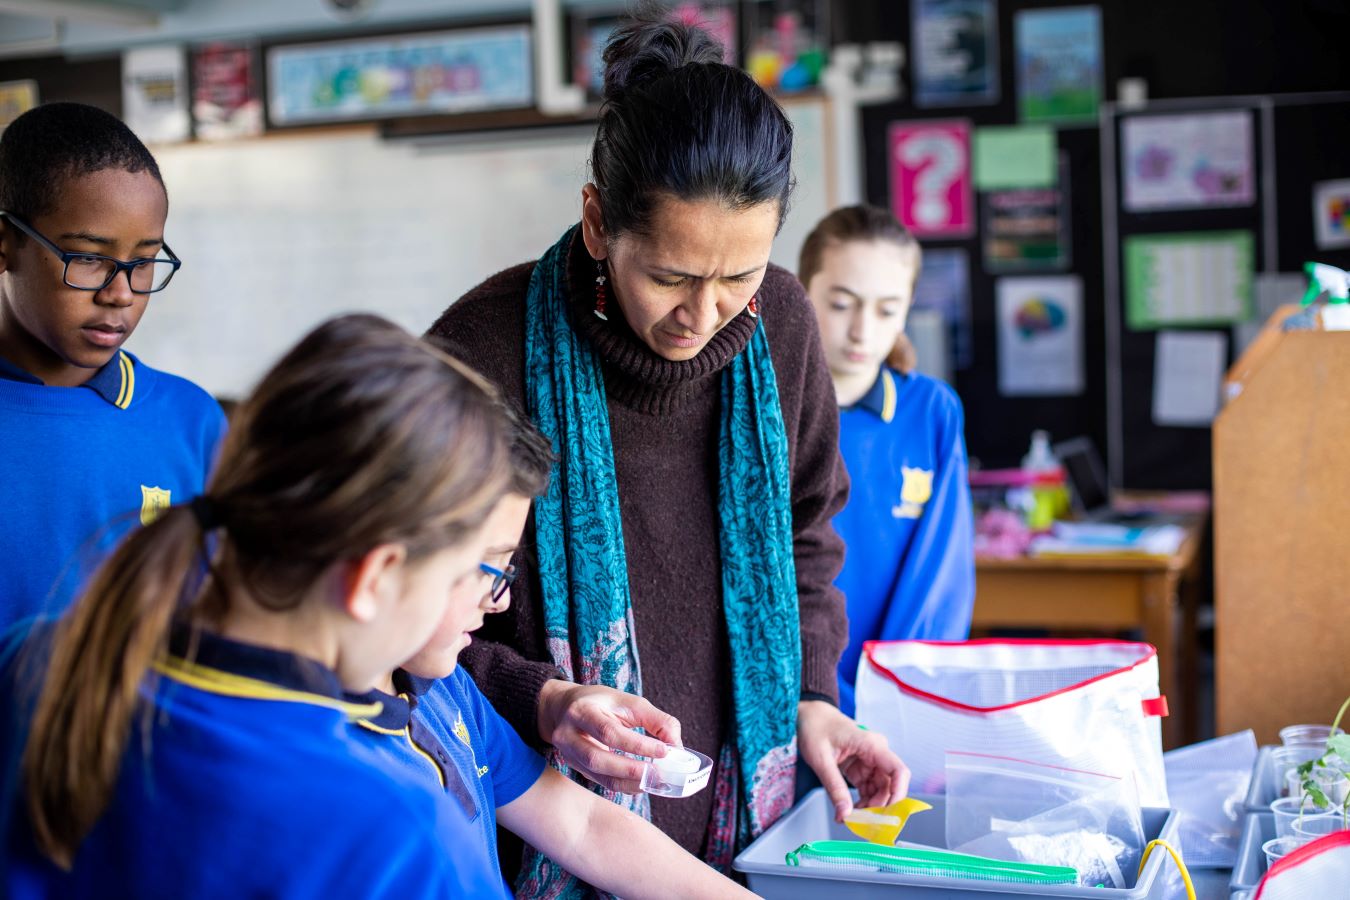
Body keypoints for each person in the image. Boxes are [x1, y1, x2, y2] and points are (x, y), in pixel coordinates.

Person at [426, 7, 909, 888]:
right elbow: (417, 622)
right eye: (671, 276)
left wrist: (812, 698)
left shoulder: (785, 328)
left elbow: (807, 535)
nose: (704, 315)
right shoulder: (481, 354)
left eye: (740, 277)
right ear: (600, 222)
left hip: (748, 825)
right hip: (542, 822)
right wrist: (542, 700)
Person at [0, 315, 514, 898]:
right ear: (376, 576)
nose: (490, 599)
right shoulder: (398, 835)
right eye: (468, 572)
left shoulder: (42, 656)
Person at [350, 406, 755, 898]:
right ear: (387, 562)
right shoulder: (327, 775)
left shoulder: (445, 691)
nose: (498, 600)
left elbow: (583, 826)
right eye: (490, 568)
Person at [0, 102, 226, 630]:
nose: (120, 294)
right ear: (6, 245)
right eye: (88, 258)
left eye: (144, 263)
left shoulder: (190, 421)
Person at [798, 205, 975, 717]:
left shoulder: (931, 411)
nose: (861, 330)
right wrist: (815, 694)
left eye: (885, 309)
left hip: (900, 699)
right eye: (841, 303)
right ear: (803, 291)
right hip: (788, 696)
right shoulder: (768, 409)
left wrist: (895, 696)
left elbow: (943, 577)